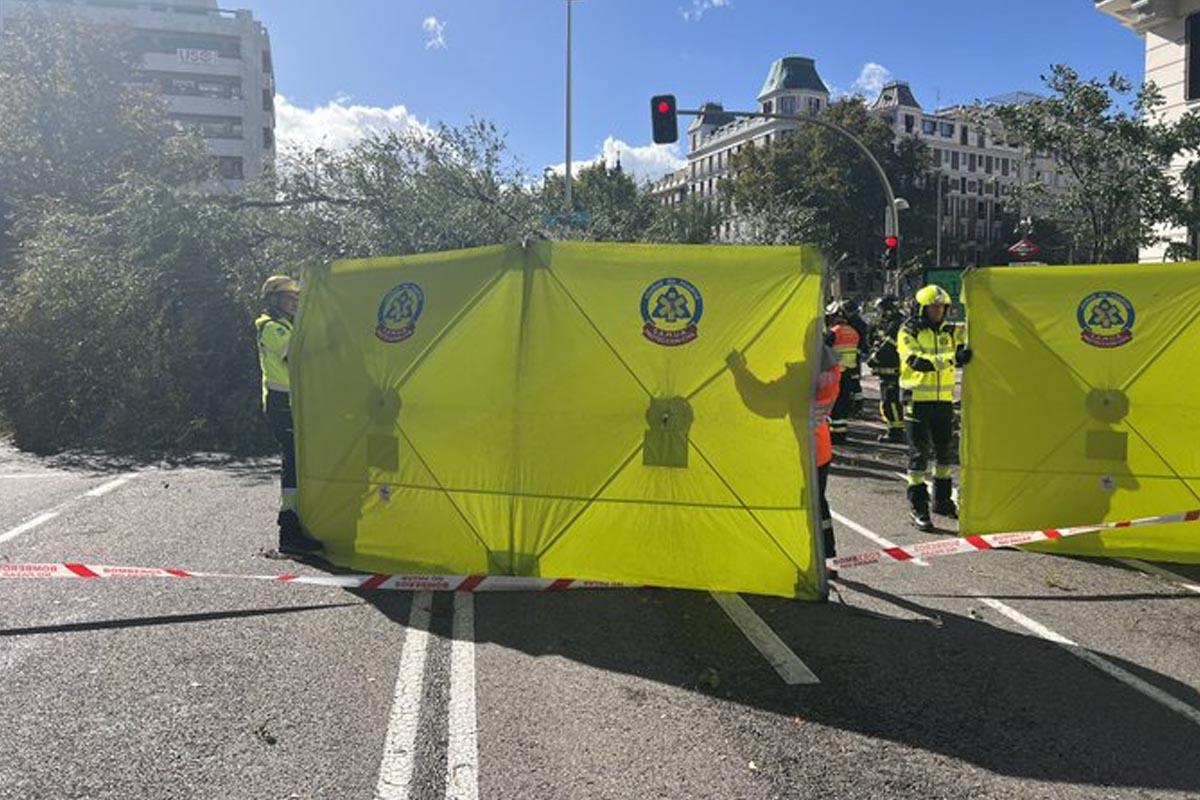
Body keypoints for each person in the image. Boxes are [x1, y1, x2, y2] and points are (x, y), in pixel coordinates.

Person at [726, 340, 843, 580]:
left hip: (800, 449)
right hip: (821, 447)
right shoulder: (833, 372)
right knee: (819, 503)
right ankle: (827, 559)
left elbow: (765, 401)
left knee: (806, 505)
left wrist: (739, 370)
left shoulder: (801, 376)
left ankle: (808, 559)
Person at [256, 275, 323, 554]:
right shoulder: (271, 327)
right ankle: (289, 530)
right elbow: (298, 357)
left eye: (296, 298)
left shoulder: (289, 325)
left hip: (296, 402)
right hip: (282, 403)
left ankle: (299, 523)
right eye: (288, 298)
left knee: (302, 462)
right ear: (273, 300)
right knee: (294, 462)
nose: (294, 303)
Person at [897, 284, 971, 532]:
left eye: (942, 307)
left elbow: (971, 339)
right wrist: (952, 359)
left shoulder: (951, 331)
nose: (938, 311)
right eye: (933, 307)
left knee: (944, 453)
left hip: (943, 400)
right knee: (918, 455)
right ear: (921, 308)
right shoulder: (908, 330)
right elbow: (916, 361)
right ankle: (918, 508)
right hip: (916, 400)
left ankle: (942, 501)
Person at [866, 295, 906, 443]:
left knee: (891, 401)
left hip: (892, 370)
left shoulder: (896, 324)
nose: (880, 312)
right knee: (887, 402)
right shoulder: (890, 323)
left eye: (882, 308)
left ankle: (896, 432)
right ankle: (893, 429)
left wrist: (874, 359)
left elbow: (888, 347)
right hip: (886, 370)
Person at [826, 302, 860, 444]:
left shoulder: (833, 333)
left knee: (834, 403)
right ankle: (841, 433)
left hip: (834, 373)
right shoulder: (853, 331)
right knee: (843, 402)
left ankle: (835, 435)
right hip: (848, 373)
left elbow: (824, 351)